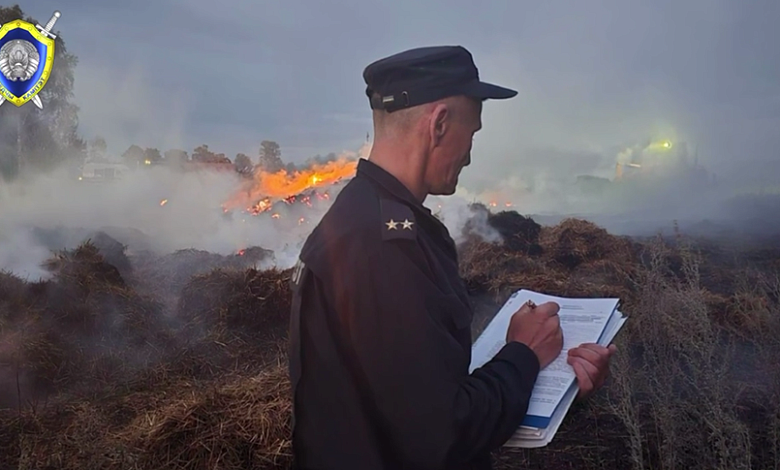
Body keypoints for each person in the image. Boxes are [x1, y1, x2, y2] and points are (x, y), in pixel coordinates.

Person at [288, 45, 616, 470]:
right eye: (473, 133)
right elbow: (443, 437)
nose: (470, 155)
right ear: (440, 123)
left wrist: (560, 381)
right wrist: (524, 354)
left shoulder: (369, 220)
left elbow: (409, 401)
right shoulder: (382, 247)